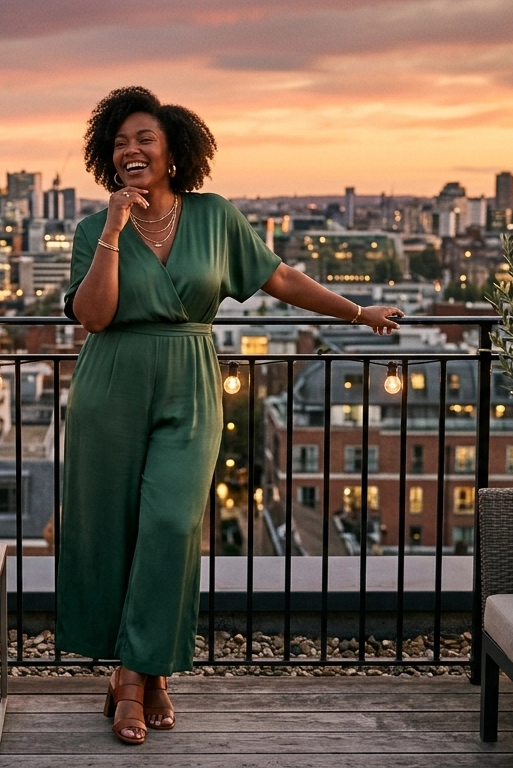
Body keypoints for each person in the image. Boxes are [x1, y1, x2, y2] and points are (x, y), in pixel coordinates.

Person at [56, 86, 403, 746]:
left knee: (171, 521)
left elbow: (281, 279)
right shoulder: (89, 229)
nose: (130, 149)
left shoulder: (215, 217)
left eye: (144, 139)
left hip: (189, 382)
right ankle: (147, 677)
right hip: (110, 386)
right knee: (115, 530)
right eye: (120, 142)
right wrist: (111, 230)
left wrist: (358, 313)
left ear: (174, 152)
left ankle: (128, 680)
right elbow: (93, 316)